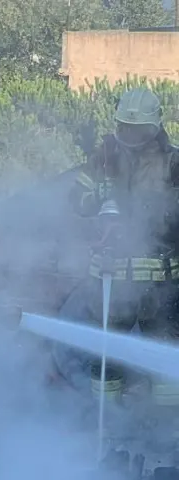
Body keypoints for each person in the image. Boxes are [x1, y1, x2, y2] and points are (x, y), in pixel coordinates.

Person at [71, 87, 179, 417]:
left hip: (160, 284)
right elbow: (75, 199)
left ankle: (165, 434)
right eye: (124, 127)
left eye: (138, 129)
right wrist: (98, 199)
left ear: (155, 127)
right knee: (105, 359)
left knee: (164, 362)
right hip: (109, 278)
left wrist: (164, 211)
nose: (129, 135)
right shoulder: (103, 158)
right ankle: (108, 427)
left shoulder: (174, 161)